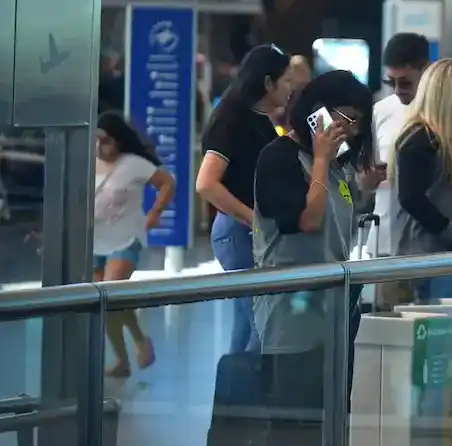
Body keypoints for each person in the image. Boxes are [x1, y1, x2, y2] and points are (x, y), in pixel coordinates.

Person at [251, 70, 378, 425]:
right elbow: (308, 221)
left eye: (358, 123)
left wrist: (363, 188)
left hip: (333, 310)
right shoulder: (280, 158)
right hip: (291, 309)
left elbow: (341, 226)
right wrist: (321, 158)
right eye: (346, 118)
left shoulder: (338, 167)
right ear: (317, 112)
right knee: (294, 418)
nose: (351, 130)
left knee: (333, 413)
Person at [196, 44, 292, 354]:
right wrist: (252, 219)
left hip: (250, 230)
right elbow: (206, 184)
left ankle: (234, 397)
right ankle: (251, 395)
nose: (290, 88)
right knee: (261, 324)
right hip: (238, 232)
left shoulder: (259, 118)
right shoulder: (233, 119)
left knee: (246, 322)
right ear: (268, 83)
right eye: (286, 80)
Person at [369, 33, 452, 259]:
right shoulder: (414, 133)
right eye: (391, 83)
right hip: (406, 244)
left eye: (405, 82)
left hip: (429, 246)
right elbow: (411, 198)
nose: (398, 90)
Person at [94, 111, 176, 378]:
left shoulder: (134, 164)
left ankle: (139, 343)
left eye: (105, 140)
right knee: (107, 305)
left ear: (118, 141)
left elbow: (167, 182)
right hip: (94, 240)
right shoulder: (88, 162)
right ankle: (122, 359)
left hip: (127, 238)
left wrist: (156, 211)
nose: (99, 146)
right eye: (96, 140)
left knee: (111, 294)